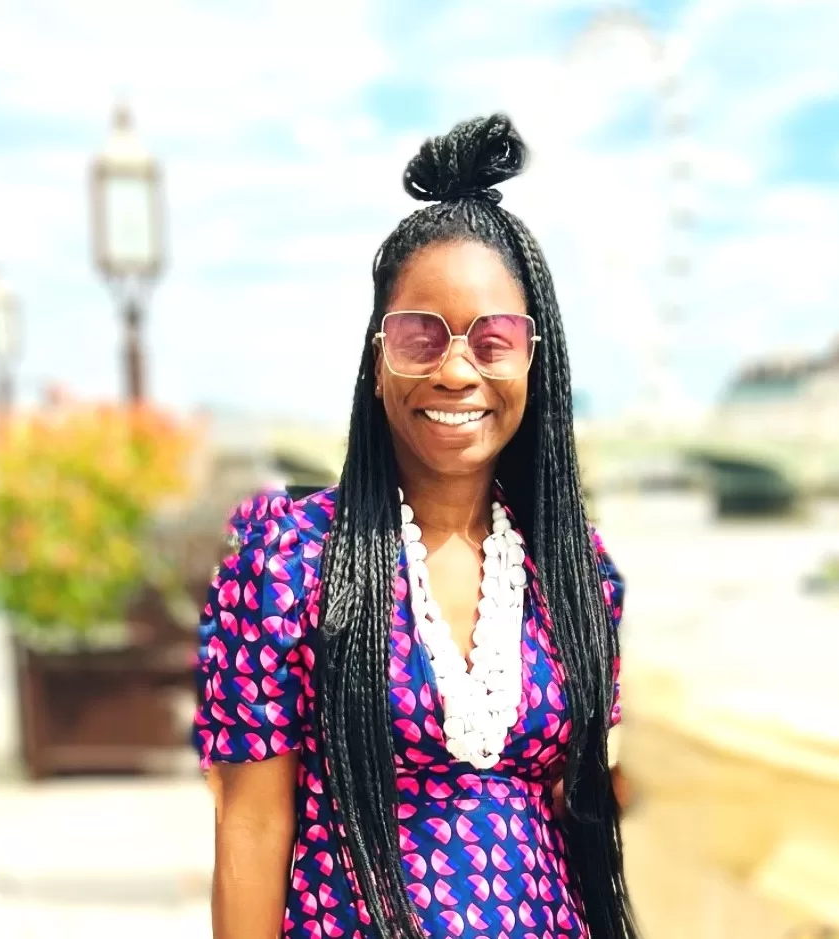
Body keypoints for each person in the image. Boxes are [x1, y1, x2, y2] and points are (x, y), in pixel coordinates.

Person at [194, 114, 638, 939]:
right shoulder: (288, 563)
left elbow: (575, 817)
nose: (457, 368)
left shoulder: (579, 576)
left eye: (494, 339)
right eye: (419, 335)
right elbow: (250, 825)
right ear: (376, 360)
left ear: (534, 364)